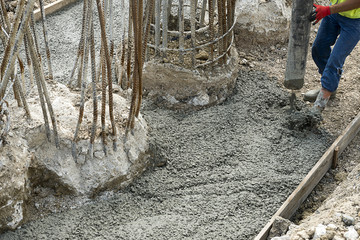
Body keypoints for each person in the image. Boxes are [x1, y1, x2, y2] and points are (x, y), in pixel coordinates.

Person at [306, 0, 360, 113]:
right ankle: (330, 87)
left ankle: (319, 105)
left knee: (336, 59)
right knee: (318, 48)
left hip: (355, 21)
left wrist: (328, 10)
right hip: (335, 12)